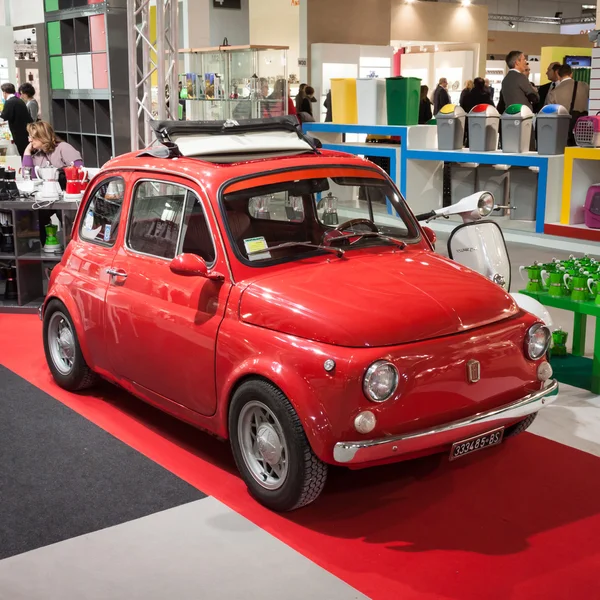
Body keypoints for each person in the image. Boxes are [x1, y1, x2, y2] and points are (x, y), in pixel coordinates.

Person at [546, 64, 589, 145]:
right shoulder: (584, 86)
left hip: (563, 130)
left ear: (558, 75)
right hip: (582, 129)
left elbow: (549, 114)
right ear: (571, 74)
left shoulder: (554, 92)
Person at [0, 83, 33, 157]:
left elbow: (4, 118)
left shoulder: (10, 102)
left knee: (23, 154)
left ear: (4, 92)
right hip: (25, 131)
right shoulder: (19, 100)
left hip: (19, 133)